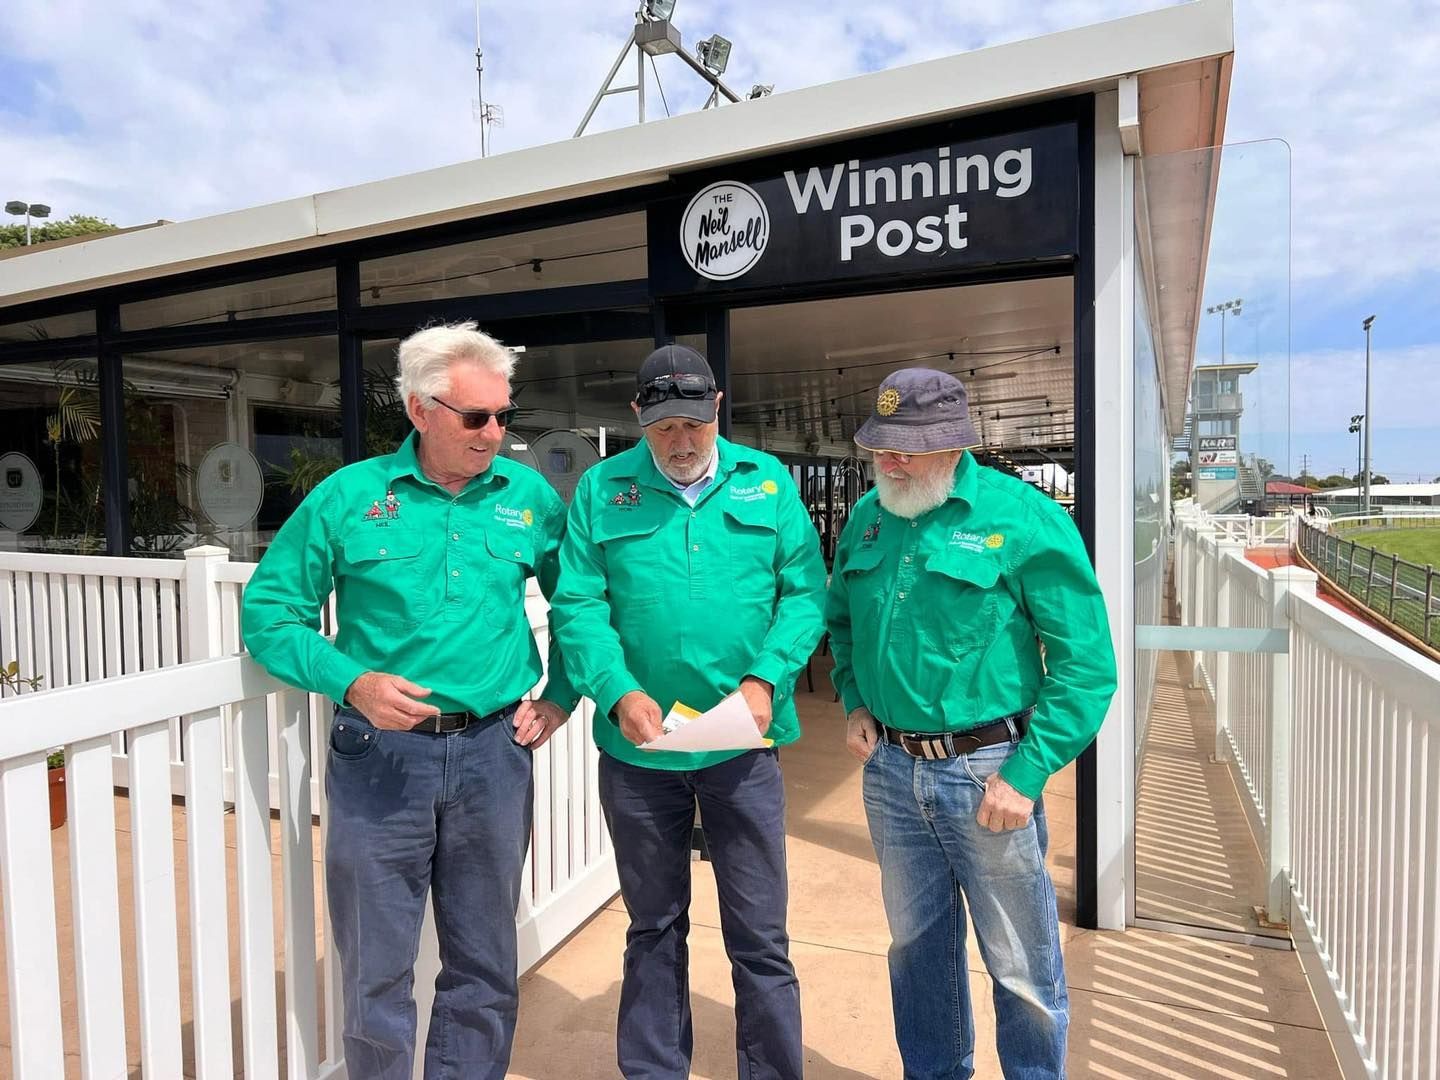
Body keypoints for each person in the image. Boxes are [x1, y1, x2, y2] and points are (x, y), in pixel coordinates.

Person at [241, 322, 577, 1080]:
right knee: (376, 968)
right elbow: (269, 615)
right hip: (380, 759)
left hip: (495, 753)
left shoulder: (527, 497)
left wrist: (561, 695)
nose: (495, 433)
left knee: (485, 963)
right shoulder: (350, 496)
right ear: (421, 409)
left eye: (503, 415)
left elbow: (580, 605)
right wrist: (351, 682)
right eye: (476, 417)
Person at [826, 368, 1117, 1079]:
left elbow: (1086, 665)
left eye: (907, 448)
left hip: (988, 774)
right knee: (916, 953)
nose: (890, 462)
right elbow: (843, 623)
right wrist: (855, 699)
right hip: (891, 772)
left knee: (1021, 964)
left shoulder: (1022, 518)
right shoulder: (868, 517)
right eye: (881, 448)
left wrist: (1028, 773)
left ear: (954, 443)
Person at [550, 343, 826, 1080]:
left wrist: (767, 679)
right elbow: (578, 605)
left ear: (718, 408)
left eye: (694, 424)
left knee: (760, 935)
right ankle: (654, 1070)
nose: (680, 441)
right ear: (638, 417)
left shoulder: (766, 480)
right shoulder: (603, 488)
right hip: (640, 753)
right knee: (653, 926)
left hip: (743, 748)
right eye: (664, 426)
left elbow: (805, 592)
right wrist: (616, 690)